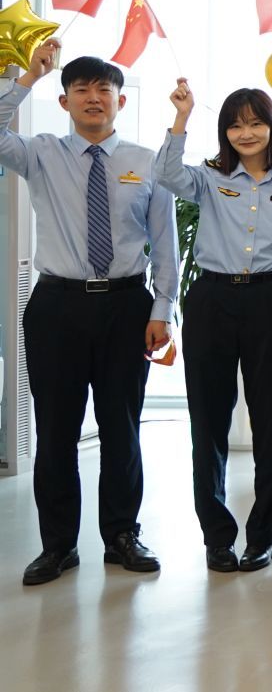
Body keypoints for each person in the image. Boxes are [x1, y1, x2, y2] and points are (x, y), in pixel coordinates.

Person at [6, 44, 175, 586]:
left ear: (120, 101)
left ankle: (122, 535)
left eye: (105, 89)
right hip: (57, 305)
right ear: (65, 101)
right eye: (81, 89)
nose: (94, 97)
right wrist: (27, 78)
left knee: (122, 426)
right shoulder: (40, 153)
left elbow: (164, 243)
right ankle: (58, 545)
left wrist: (162, 307)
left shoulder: (146, 162)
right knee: (56, 428)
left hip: (127, 305)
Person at [158, 81, 272, 574]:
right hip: (211, 300)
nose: (245, 133)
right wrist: (182, 116)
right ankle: (217, 537)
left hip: (269, 302)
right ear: (224, 132)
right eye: (235, 125)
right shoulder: (209, 178)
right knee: (208, 420)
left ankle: (262, 537)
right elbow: (165, 173)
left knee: (269, 422)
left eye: (255, 123)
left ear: (271, 128)